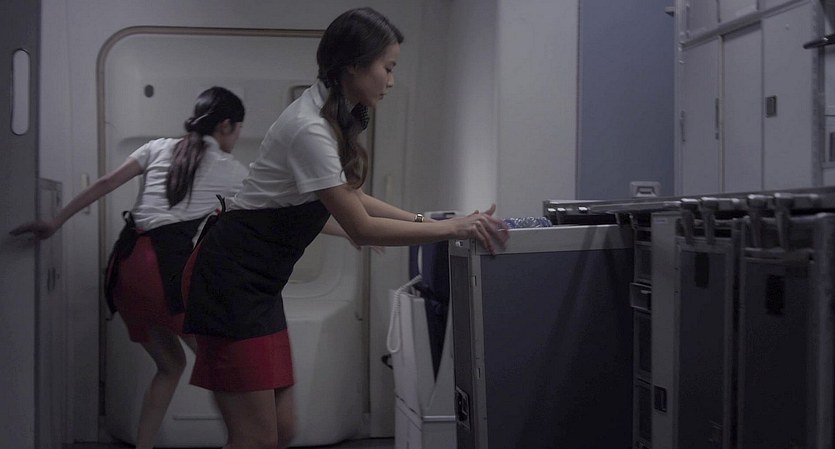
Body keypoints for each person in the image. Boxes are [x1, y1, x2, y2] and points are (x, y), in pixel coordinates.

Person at [181, 7, 509, 449]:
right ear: (353, 65)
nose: (391, 80)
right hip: (229, 285)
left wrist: (429, 220)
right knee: (255, 438)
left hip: (258, 287)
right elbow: (361, 227)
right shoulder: (309, 128)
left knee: (284, 428)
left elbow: (352, 197)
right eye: (387, 68)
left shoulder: (326, 118)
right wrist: (454, 229)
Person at [10, 86, 250, 449]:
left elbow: (106, 183)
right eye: (239, 129)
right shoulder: (232, 170)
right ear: (227, 125)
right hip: (164, 277)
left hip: (125, 272)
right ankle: (245, 441)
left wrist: (54, 222)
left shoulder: (157, 147)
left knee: (170, 365)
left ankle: (144, 446)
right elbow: (273, 211)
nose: (238, 138)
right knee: (221, 365)